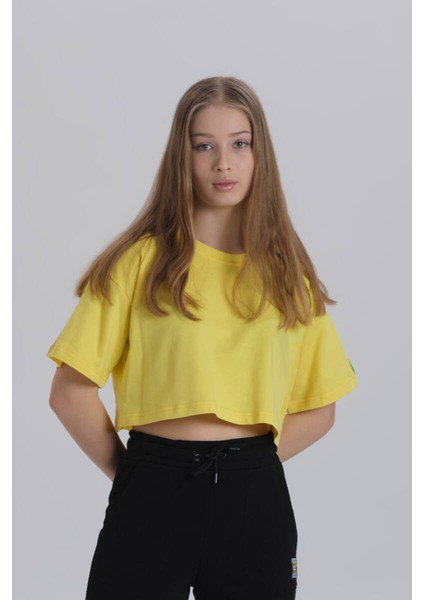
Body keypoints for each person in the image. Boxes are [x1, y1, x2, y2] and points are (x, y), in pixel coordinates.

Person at [47, 75, 358, 600]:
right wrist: (137, 477)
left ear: (260, 155)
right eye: (204, 146)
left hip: (254, 494)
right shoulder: (139, 263)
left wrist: (245, 471)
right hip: (152, 484)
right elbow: (70, 392)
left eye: (240, 144)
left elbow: (320, 407)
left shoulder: (288, 277)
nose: (223, 164)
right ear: (182, 156)